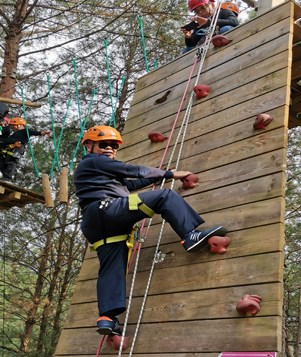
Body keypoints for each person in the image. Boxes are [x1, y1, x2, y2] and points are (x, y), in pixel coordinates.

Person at [74, 125, 227, 336]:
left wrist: (162, 176)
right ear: (89, 146)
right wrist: (171, 173)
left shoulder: (97, 171)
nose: (109, 148)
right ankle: (190, 235)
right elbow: (134, 171)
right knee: (165, 196)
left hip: (96, 224)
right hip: (107, 209)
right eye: (103, 144)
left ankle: (107, 317)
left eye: (113, 145)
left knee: (112, 265)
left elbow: (134, 182)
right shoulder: (94, 161)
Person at [0, 117, 51, 181]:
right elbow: (8, 140)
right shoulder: (15, 134)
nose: (11, 127)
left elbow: (33, 132)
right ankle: (5, 177)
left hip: (17, 149)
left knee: (11, 162)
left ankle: (8, 178)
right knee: (0, 163)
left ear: (20, 125)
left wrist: (43, 133)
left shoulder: (25, 131)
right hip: (9, 149)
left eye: (13, 125)